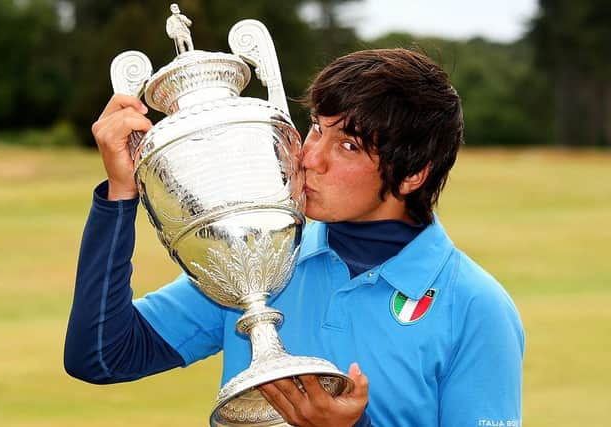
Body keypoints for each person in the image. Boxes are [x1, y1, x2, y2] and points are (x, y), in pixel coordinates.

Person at [65, 48, 524, 427]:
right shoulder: (264, 254)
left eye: (348, 145)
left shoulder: (474, 306)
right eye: (317, 129)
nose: (309, 157)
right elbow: (101, 355)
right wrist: (120, 194)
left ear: (413, 175)